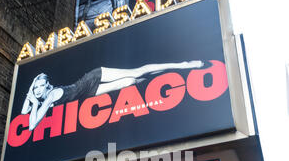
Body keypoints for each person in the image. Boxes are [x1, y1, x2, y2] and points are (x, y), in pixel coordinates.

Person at [21, 60, 204, 130]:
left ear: (46, 85)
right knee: (130, 82)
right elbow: (23, 116)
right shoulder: (45, 97)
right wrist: (31, 95)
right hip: (88, 93)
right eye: (35, 88)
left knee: (137, 71)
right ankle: (169, 74)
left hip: (91, 78)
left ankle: (183, 65)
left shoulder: (51, 96)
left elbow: (31, 126)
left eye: (39, 87)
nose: (37, 91)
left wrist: (35, 103)